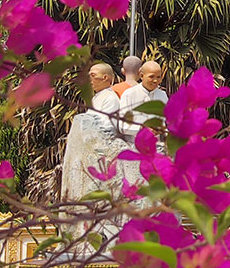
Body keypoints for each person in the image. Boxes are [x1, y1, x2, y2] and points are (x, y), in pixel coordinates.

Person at [59, 62, 122, 203]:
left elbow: (106, 127)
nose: (89, 80)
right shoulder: (96, 98)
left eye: (93, 76)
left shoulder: (111, 98)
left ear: (106, 78)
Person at [118, 58, 167, 145]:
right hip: (133, 145)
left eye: (158, 77)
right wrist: (142, 129)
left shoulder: (162, 95)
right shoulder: (129, 94)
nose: (155, 81)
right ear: (141, 76)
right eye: (151, 77)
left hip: (157, 146)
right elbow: (122, 126)